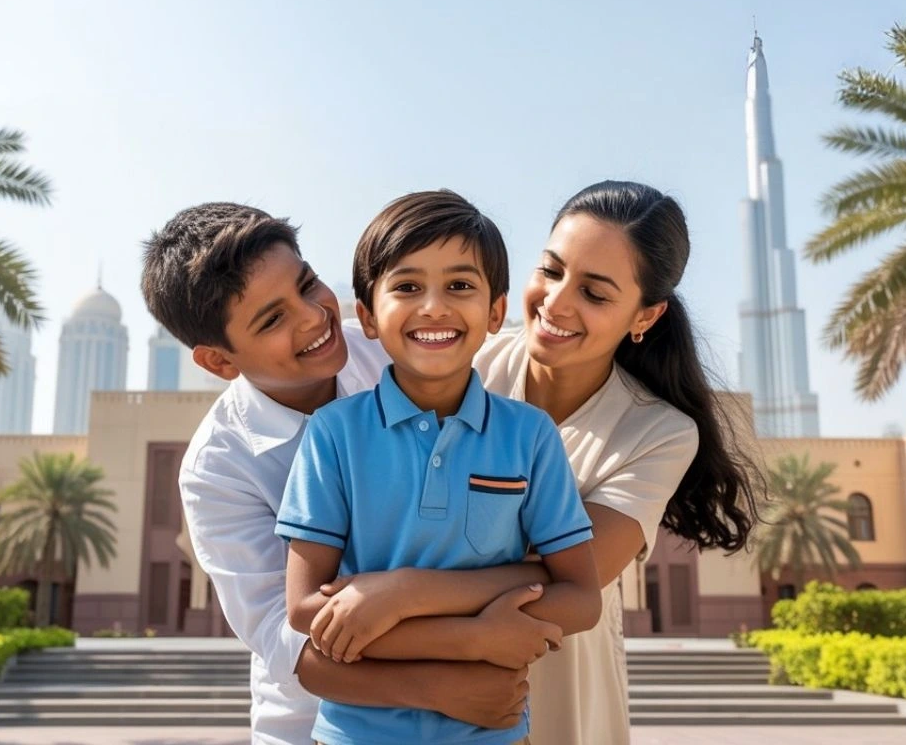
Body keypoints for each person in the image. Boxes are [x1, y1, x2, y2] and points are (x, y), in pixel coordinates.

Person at [303, 180, 761, 745]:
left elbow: (572, 578)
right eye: (551, 270)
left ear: (645, 315)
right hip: (404, 679)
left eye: (594, 294)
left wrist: (402, 592)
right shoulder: (458, 351)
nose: (556, 302)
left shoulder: (658, 433)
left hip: (554, 668)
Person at [146, 202, 548, 745]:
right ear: (220, 362)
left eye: (307, 284)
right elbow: (292, 641)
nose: (313, 317)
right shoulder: (218, 470)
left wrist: (407, 593)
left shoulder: (396, 347)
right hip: (314, 726)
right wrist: (448, 674)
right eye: (272, 319)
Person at [278, 190, 603, 745]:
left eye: (460, 286)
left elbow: (581, 596)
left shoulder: (530, 435)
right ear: (368, 316)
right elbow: (308, 611)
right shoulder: (333, 433)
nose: (433, 307)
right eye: (407, 287)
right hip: (352, 735)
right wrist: (473, 639)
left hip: (494, 733)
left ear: (496, 313)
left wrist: (398, 605)